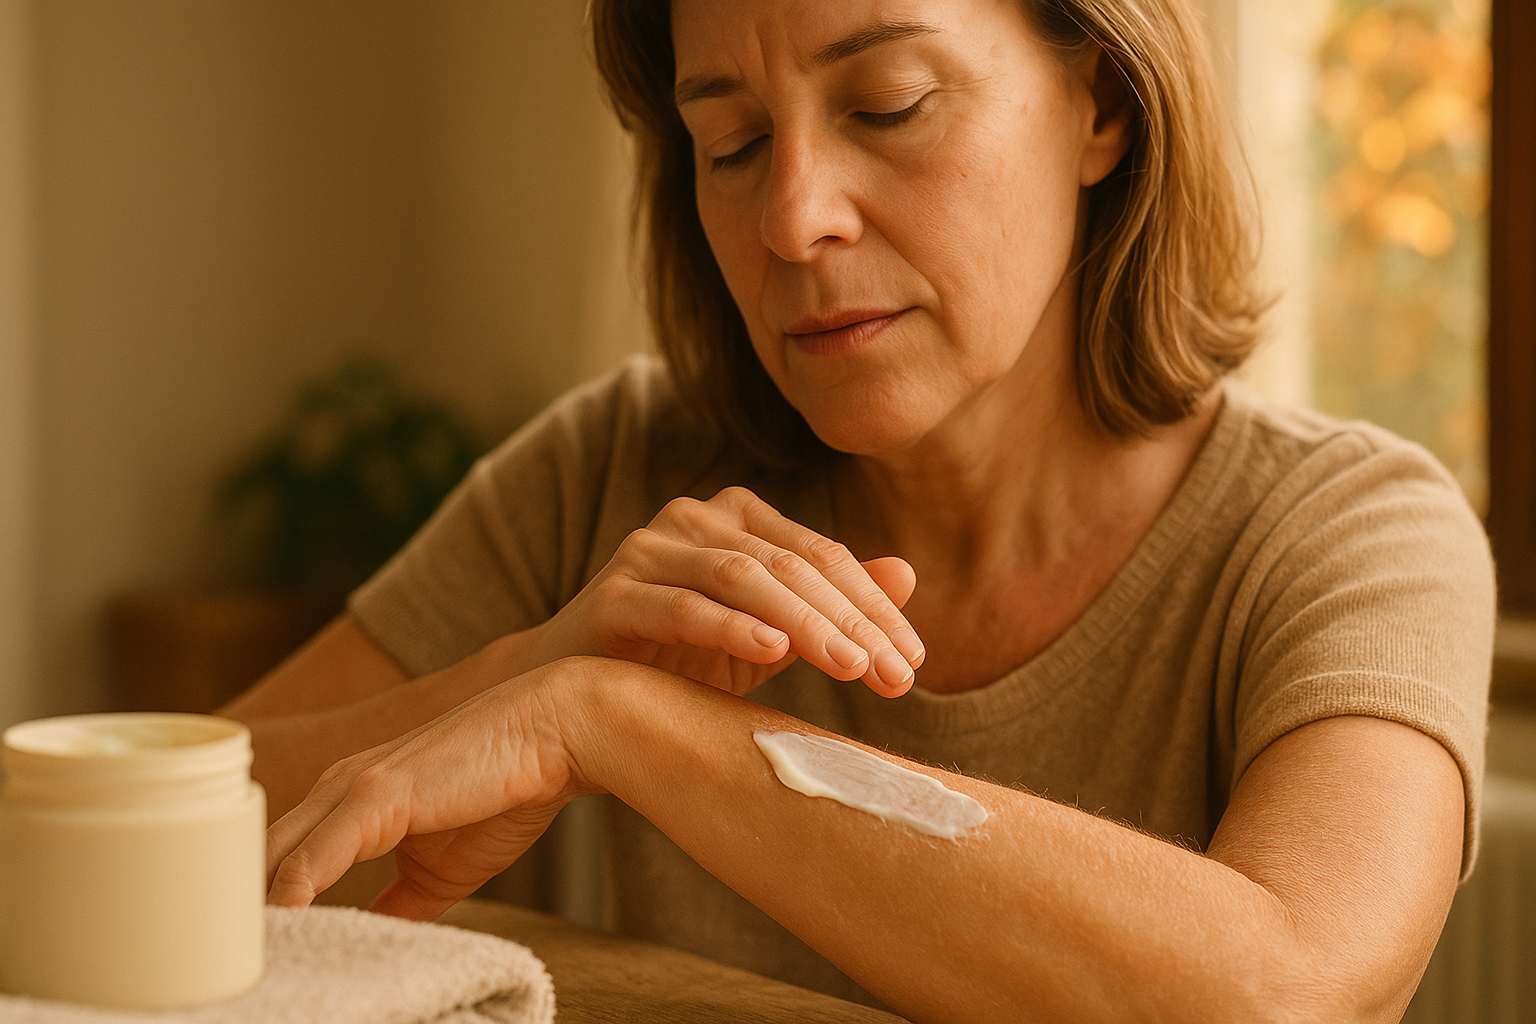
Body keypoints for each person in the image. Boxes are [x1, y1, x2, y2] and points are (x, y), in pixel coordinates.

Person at [233, 0, 1495, 1020]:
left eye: (887, 105)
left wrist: (616, 723)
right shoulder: (615, 466)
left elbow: (1287, 994)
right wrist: (525, 669)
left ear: (1102, 101)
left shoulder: (1356, 530)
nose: (791, 218)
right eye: (729, 145)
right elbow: (90, 833)